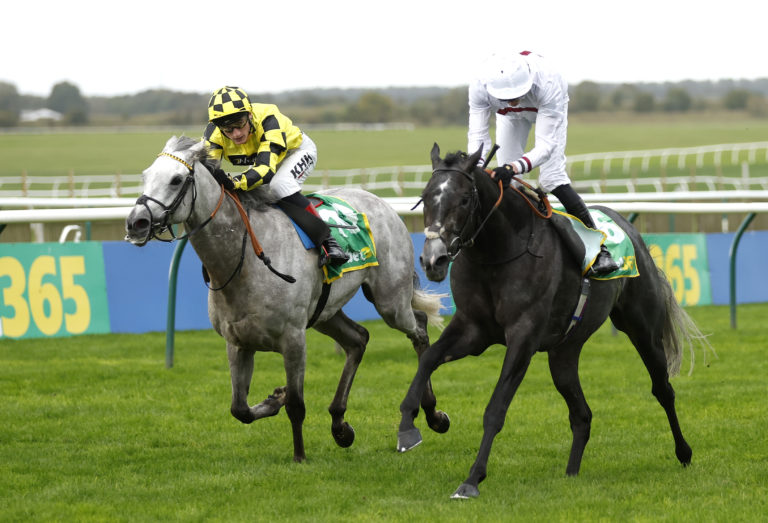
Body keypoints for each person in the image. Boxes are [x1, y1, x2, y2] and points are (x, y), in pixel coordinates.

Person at [468, 51, 620, 275]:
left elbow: (546, 147)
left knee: (552, 178)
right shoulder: (480, 85)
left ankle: (599, 250)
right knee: (511, 185)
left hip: (546, 110)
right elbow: (478, 137)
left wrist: (513, 167)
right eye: (507, 96)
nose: (513, 100)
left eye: (517, 94)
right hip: (509, 118)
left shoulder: (548, 82)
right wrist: (476, 170)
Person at [203, 86, 349, 267]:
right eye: (228, 130)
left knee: (280, 185)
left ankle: (329, 242)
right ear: (218, 127)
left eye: (240, 125)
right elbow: (208, 170)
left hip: (295, 151)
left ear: (249, 115)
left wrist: (236, 181)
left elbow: (265, 170)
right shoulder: (213, 134)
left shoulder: (269, 119)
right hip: (264, 158)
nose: (237, 134)